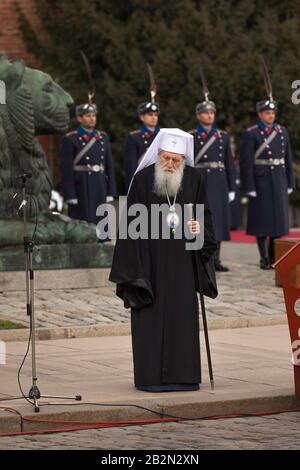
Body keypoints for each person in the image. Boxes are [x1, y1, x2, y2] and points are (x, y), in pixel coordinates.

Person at [110, 128, 218, 392]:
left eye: (175, 160)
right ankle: (151, 378)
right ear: (157, 155)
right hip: (151, 265)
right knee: (152, 318)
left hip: (183, 265)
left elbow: (205, 217)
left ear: (184, 160)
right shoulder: (143, 179)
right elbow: (129, 228)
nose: (169, 165)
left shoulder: (194, 179)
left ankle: (185, 376)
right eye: (165, 158)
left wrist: (198, 230)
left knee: (182, 318)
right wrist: (135, 273)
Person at [240, 92, 295, 269]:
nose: (271, 115)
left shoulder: (282, 131)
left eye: (272, 113)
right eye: (267, 113)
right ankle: (263, 257)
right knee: (262, 220)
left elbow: (288, 158)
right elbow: (246, 161)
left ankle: (274, 257)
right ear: (260, 114)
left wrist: (289, 182)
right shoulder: (252, 133)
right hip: (261, 180)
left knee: (277, 221)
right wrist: (249, 186)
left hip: (278, 178)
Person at [189, 95, 236, 272]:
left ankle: (216, 259)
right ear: (198, 116)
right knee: (200, 217)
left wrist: (232, 187)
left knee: (218, 220)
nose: (209, 116)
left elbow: (229, 163)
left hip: (218, 180)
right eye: (205, 113)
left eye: (211, 112)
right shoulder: (191, 136)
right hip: (200, 179)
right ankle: (202, 256)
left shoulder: (222, 136)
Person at [60, 103, 117, 227]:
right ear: (79, 118)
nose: (92, 118)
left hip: (100, 184)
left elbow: (109, 166)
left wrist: (110, 191)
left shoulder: (102, 137)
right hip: (81, 186)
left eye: (93, 115)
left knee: (101, 222)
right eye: (88, 116)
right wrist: (70, 194)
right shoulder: (71, 138)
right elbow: (66, 169)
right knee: (82, 223)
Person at [123, 101, 160, 191]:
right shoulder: (134, 137)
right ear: (142, 117)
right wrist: (132, 187)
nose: (153, 117)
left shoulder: (162, 135)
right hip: (142, 181)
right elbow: (130, 167)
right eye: (150, 114)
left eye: (155, 115)